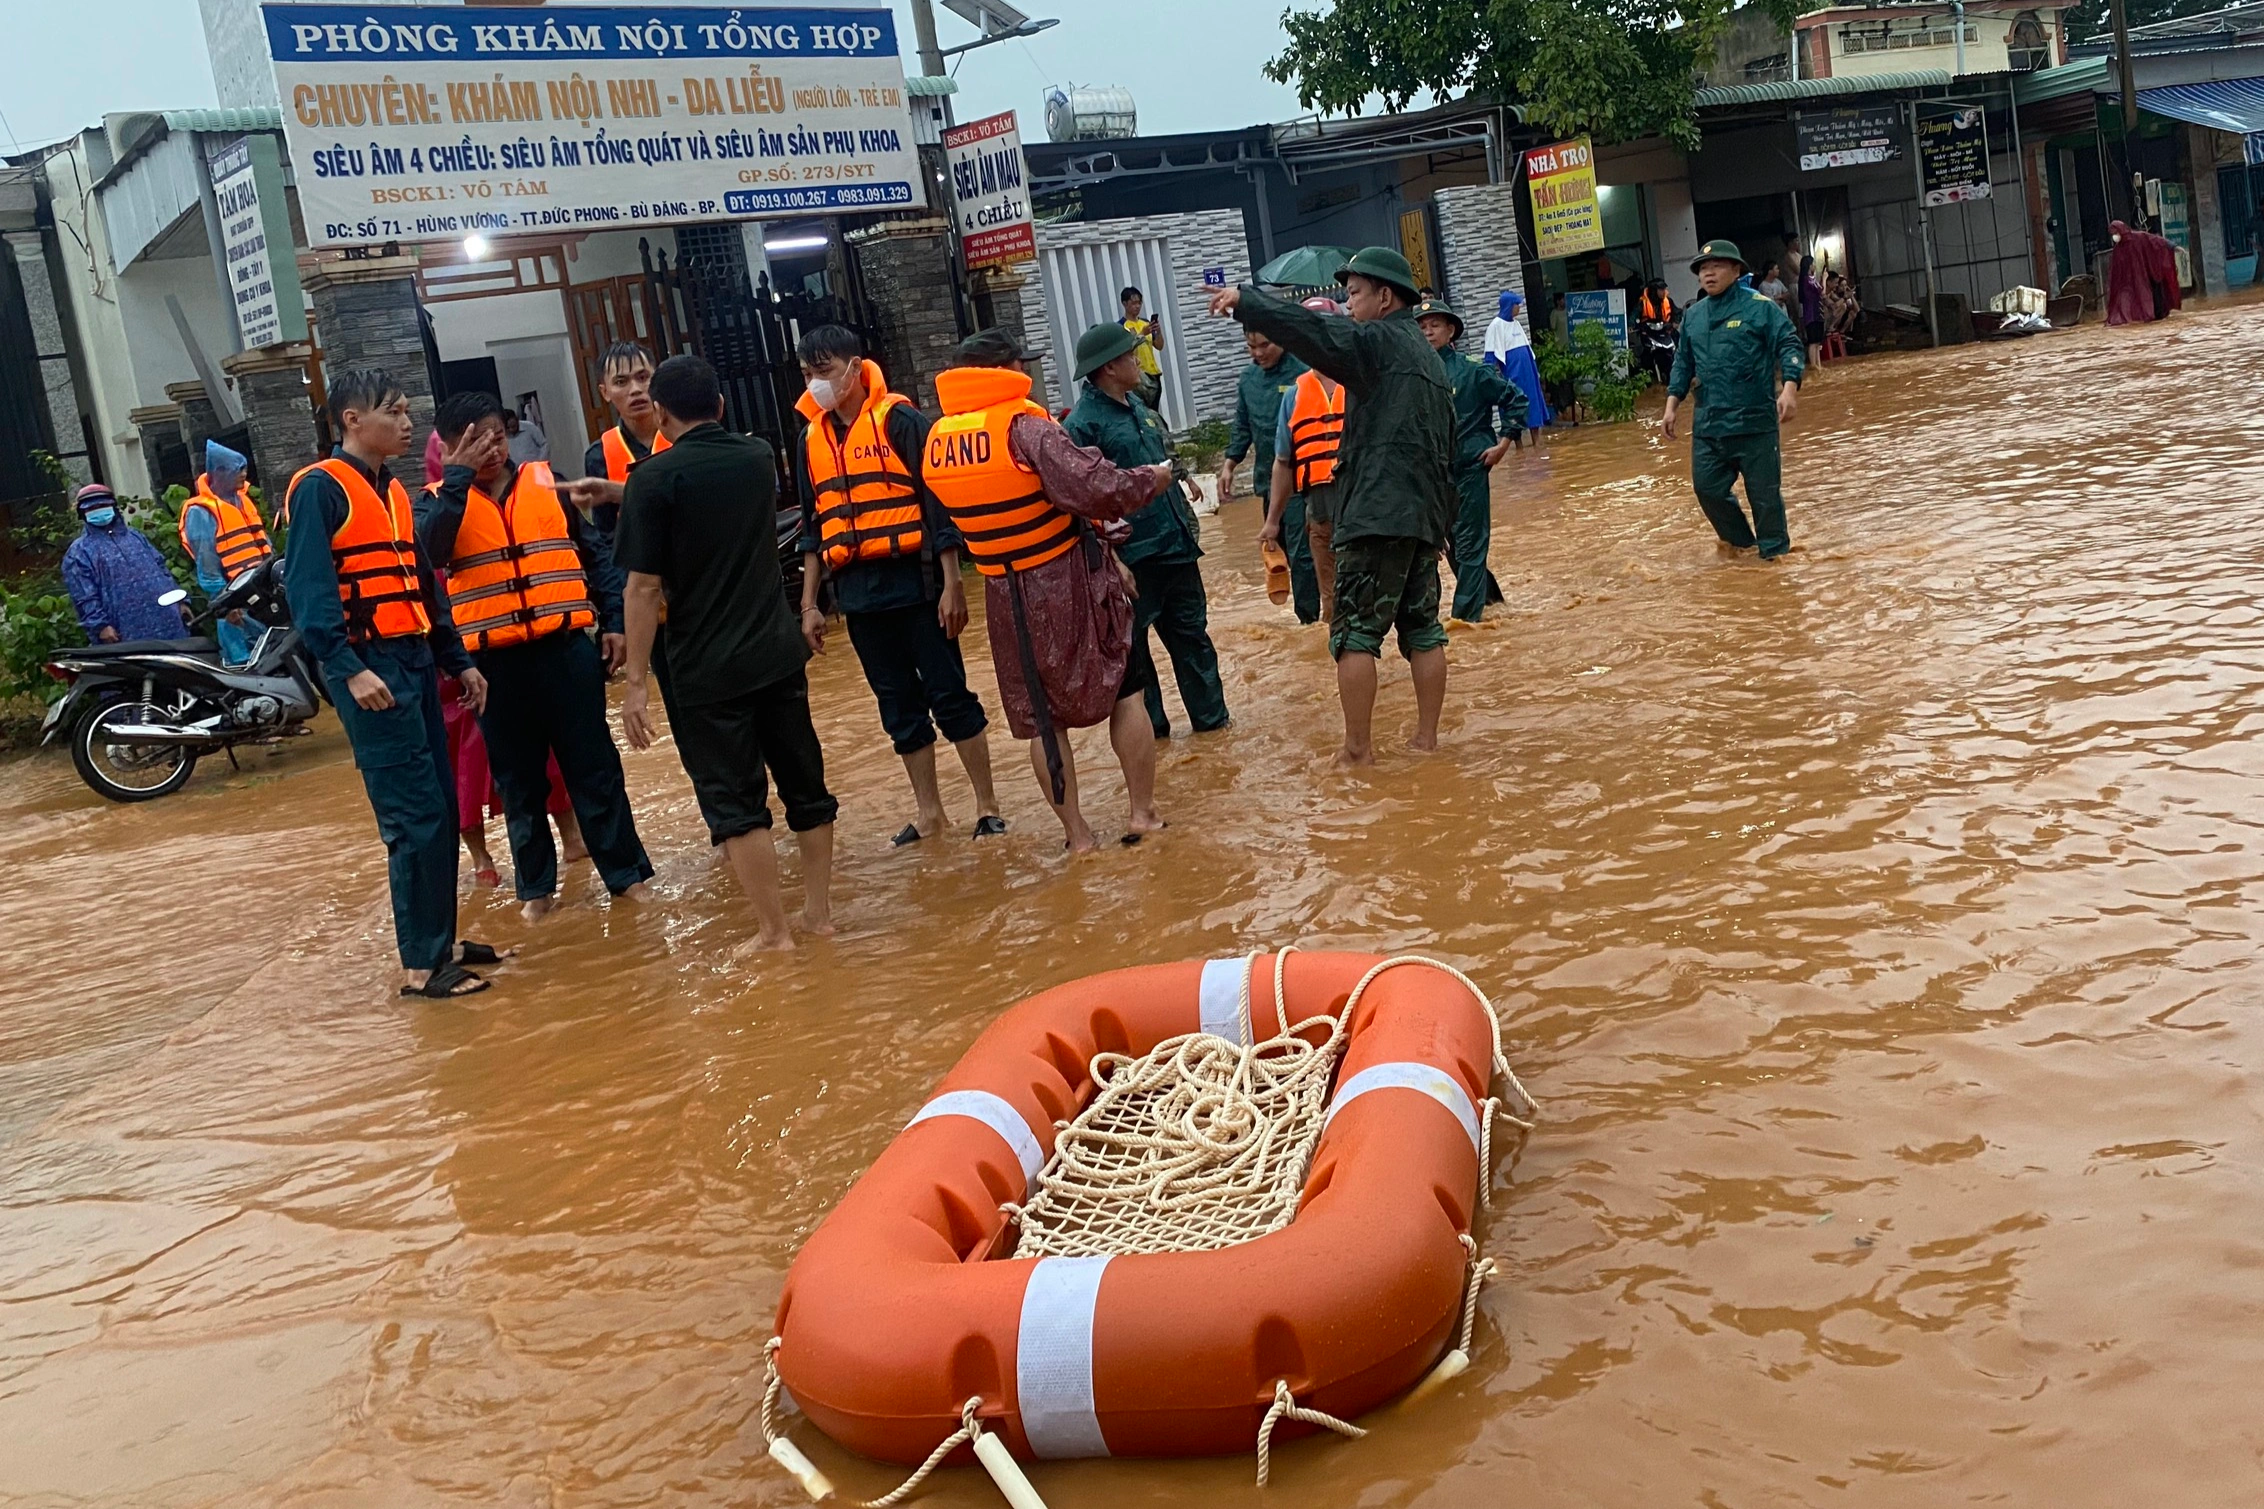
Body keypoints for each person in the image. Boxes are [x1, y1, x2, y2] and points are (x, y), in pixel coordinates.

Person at [279, 368, 498, 999]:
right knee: (414, 818)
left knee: (439, 805)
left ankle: (442, 940)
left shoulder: (395, 492)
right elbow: (311, 592)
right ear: (352, 421)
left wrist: (457, 660)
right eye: (394, 412)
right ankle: (422, 967)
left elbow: (424, 585)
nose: (408, 423)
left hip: (413, 661)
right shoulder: (320, 489)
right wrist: (349, 670)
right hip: (370, 666)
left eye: (407, 411)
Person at [922, 328, 1176, 853]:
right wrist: (1151, 478)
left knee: (1041, 715)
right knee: (1128, 686)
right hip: (1070, 579)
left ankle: (1077, 836)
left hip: (1002, 591)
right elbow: (1096, 487)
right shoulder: (1025, 429)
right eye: (1024, 365)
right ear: (1008, 370)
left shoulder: (939, 439)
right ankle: (1142, 813)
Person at [615, 355, 837, 953]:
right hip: (776, 652)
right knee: (806, 789)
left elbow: (642, 588)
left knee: (739, 807)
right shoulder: (757, 458)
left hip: (706, 669)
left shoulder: (652, 479)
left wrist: (635, 682)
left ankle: (775, 932)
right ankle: (818, 914)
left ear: (660, 413)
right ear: (719, 404)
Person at [1210, 246, 1456, 767]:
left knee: (1353, 634)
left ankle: (1357, 754)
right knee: (1423, 629)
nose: (1348, 306)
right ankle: (1427, 742)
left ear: (1385, 297)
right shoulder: (1431, 362)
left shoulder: (1376, 343)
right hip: (1424, 519)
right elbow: (1446, 450)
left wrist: (1247, 303)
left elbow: (1315, 333)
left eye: (1355, 294)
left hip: (1373, 515)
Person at [418, 390, 654, 921]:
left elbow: (596, 555)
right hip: (494, 667)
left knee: (594, 768)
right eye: (475, 441)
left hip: (565, 650)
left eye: (497, 436)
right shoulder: (436, 501)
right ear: (452, 447)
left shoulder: (547, 482)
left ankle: (626, 876)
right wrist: (458, 478)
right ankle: (536, 891)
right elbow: (431, 551)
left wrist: (613, 622)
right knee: (518, 783)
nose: (492, 449)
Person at [791, 324, 1004, 845]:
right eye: (806, 374)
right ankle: (930, 813)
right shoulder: (811, 438)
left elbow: (940, 504)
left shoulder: (901, 420)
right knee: (897, 708)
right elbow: (815, 526)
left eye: (822, 372)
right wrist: (809, 605)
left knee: (950, 694)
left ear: (854, 368)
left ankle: (987, 805)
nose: (815, 383)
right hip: (859, 597)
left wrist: (953, 584)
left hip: (918, 584)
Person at [1064, 321, 1228, 739]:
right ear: (1107, 369)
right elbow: (1083, 504)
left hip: (1175, 548)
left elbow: (1165, 464)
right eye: (1129, 356)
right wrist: (1111, 562)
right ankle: (1154, 742)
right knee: (1135, 659)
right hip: (1132, 562)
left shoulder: (1141, 407)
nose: (1138, 361)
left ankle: (1213, 732)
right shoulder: (1083, 426)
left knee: (1194, 641)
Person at [1662, 240, 1805, 562]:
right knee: (1707, 489)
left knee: (1765, 499)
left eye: (1716, 267)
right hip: (1710, 425)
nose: (1708, 273)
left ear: (1737, 269)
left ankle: (1775, 560)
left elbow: (1789, 345)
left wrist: (1790, 388)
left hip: (1754, 423)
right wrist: (1672, 405)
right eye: (1702, 269)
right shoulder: (1694, 316)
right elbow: (1683, 363)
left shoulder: (1760, 308)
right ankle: (1741, 545)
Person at [1413, 297, 1518, 624]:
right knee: (1453, 551)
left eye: (1435, 326)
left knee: (1470, 548)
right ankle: (1492, 604)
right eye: (1422, 327)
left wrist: (1503, 444)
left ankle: (1465, 624)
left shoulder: (1473, 371)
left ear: (1450, 330)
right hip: (1434, 477)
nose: (1428, 332)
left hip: (1470, 470)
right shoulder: (1412, 376)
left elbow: (1514, 398)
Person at [1263, 302, 1349, 623]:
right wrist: (1273, 521)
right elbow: (1283, 463)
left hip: (1366, 509)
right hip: (1320, 513)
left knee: (1375, 598)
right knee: (1332, 602)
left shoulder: (1364, 382)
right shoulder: (1295, 394)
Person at [1219, 329, 1311, 619]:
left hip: (1303, 482)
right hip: (1268, 482)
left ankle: (1311, 620)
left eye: (1265, 345)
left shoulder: (1304, 374)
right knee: (1279, 550)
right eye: (1251, 347)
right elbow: (1243, 424)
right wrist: (1230, 463)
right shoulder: (1248, 379)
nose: (1258, 353)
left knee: (1304, 554)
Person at [177, 440, 272, 664]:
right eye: (238, 469)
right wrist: (225, 603)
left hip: (260, 595)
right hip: (234, 602)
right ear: (219, 471)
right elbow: (207, 563)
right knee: (243, 665)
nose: (244, 474)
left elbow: (263, 543)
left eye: (244, 468)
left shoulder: (242, 501)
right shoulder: (200, 512)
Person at [64, 483, 193, 646]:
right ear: (83, 514)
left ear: (113, 507)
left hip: (168, 621)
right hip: (124, 632)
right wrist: (100, 626)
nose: (99, 510)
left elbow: (162, 570)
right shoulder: (79, 552)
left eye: (103, 505)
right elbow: (84, 596)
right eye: (93, 508)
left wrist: (181, 601)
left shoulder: (135, 537)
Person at [1483, 290, 1553, 435]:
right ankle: (1518, 443)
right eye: (1516, 305)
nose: (1519, 308)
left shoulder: (1517, 324)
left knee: (1533, 404)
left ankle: (1536, 441)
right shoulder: (1495, 326)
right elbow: (1490, 356)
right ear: (1509, 306)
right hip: (1513, 373)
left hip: (1528, 373)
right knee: (1514, 406)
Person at [2106, 220, 2183, 325]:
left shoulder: (2139, 237)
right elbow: (2115, 271)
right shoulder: (2118, 250)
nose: (2115, 236)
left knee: (2149, 302)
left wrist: (2173, 246)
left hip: (2145, 276)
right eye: (2113, 234)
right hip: (2127, 283)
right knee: (2125, 303)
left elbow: (2157, 241)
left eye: (2116, 233)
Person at [1119, 286, 1164, 411]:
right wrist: (1142, 334)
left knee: (1154, 411)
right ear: (1124, 304)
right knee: (1142, 411)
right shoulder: (1121, 326)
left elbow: (1159, 346)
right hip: (1137, 376)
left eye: (1139, 303)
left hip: (1153, 373)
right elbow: (1124, 349)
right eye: (1133, 303)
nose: (1137, 306)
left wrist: (1158, 332)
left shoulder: (1145, 323)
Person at [1635, 279, 1681, 387]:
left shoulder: (1668, 301)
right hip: (1649, 333)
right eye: (1661, 289)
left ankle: (1677, 375)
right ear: (1654, 290)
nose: (1663, 291)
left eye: (1664, 289)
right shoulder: (1643, 302)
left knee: (1679, 344)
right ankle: (1647, 380)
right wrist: (1631, 326)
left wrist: (1676, 322)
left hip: (1665, 331)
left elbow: (1678, 312)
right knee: (1646, 355)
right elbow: (1634, 316)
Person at [1798, 255, 1826, 370]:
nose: (1815, 266)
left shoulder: (1812, 279)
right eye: (1813, 264)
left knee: (1818, 341)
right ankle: (1814, 365)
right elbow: (1822, 292)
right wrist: (1824, 278)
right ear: (1809, 266)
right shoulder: (1807, 280)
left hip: (1817, 313)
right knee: (1813, 341)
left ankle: (1818, 364)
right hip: (1811, 315)